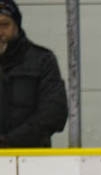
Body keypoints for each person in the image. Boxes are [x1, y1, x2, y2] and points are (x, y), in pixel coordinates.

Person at [0, 0, 67, 147]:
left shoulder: (42, 60)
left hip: (31, 156)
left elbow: (54, 113)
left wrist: (9, 141)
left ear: (17, 25)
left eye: (4, 25)